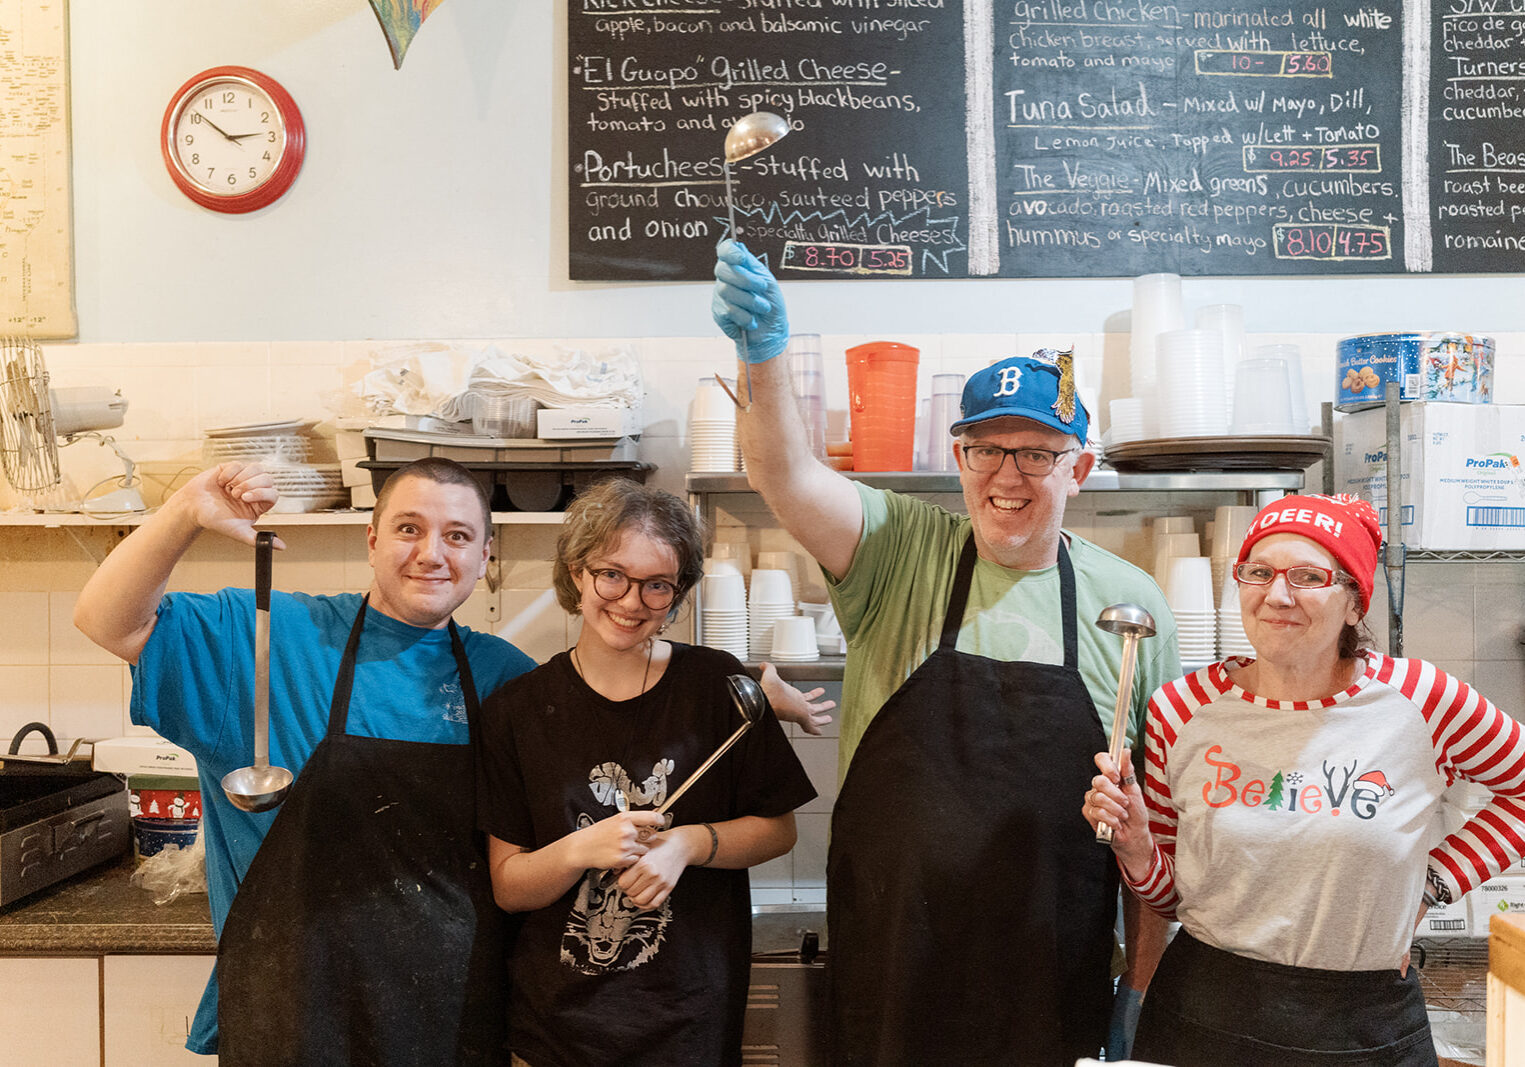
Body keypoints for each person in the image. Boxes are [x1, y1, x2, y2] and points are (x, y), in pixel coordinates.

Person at [710, 239, 1181, 1065]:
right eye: (985, 448)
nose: (1008, 474)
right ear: (957, 457)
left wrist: (1139, 989)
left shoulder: (1131, 607)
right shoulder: (897, 551)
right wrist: (765, 360)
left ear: (1082, 466)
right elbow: (783, 472)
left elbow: (1160, 827)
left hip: (1054, 981)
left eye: (1036, 452)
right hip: (896, 973)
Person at [73, 457, 537, 1064]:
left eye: (457, 535)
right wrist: (186, 511)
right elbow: (105, 620)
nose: (432, 553)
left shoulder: (506, 677)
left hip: (450, 1020)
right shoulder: (269, 635)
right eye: (408, 529)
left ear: (484, 555)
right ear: (372, 541)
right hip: (294, 1014)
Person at [1084, 493, 1525, 1065]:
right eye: (1259, 572)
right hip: (1203, 1011)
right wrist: (1138, 846)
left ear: (1352, 603)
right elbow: (1171, 900)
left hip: (1365, 1023)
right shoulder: (1181, 707)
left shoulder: (1421, 699)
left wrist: (1433, 885)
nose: (1277, 594)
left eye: (1308, 576)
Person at [476, 478, 817, 1065]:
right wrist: (583, 848)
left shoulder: (719, 688)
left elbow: (777, 829)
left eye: (657, 585)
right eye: (613, 574)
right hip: (557, 1032)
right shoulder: (517, 710)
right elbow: (509, 887)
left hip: (689, 1023)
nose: (632, 602)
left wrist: (687, 844)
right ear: (578, 573)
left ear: (676, 593)